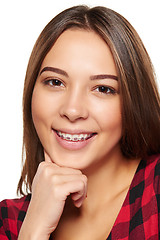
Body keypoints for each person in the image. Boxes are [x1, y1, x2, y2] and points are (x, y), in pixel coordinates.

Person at [0, 5, 160, 240]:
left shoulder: (154, 191)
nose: (72, 110)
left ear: (132, 101)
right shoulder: (8, 223)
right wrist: (33, 233)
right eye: (55, 82)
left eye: (103, 88)